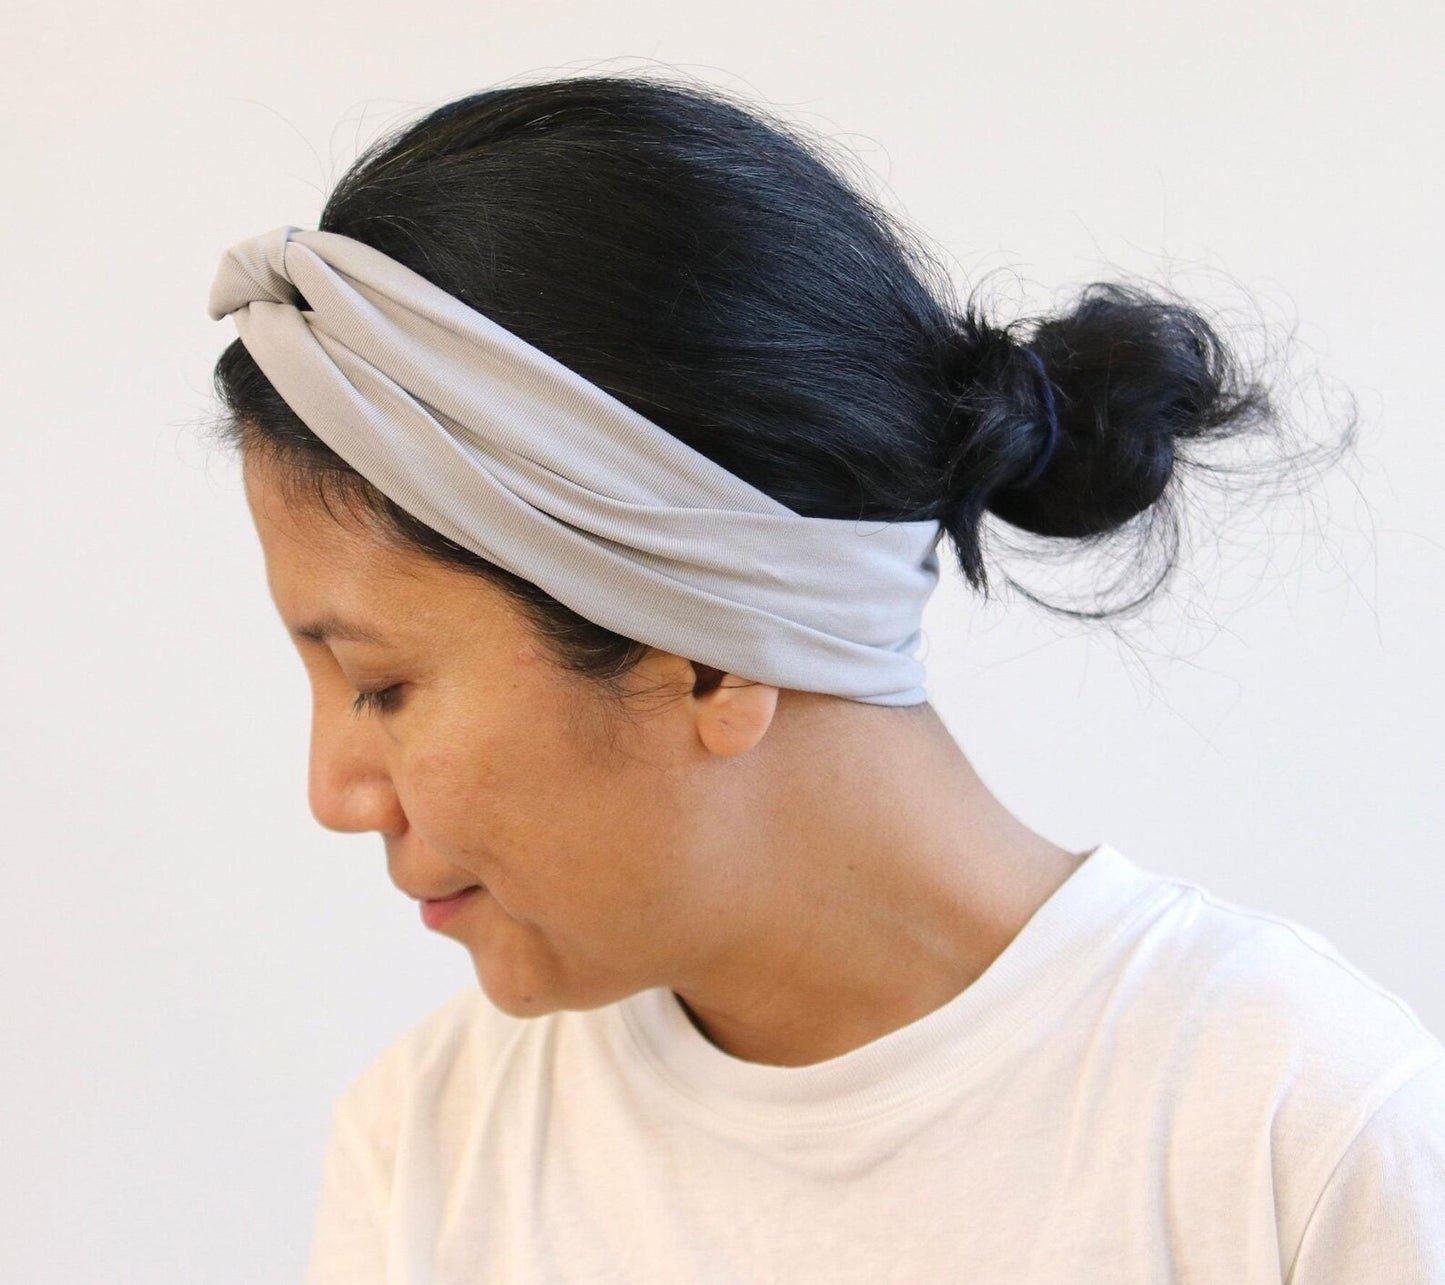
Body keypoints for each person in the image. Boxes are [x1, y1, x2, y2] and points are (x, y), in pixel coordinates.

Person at [206, 75, 1444, 1283]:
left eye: (378, 684)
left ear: (708, 654)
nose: (335, 792)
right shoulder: (429, 1145)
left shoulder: (1297, 1133)